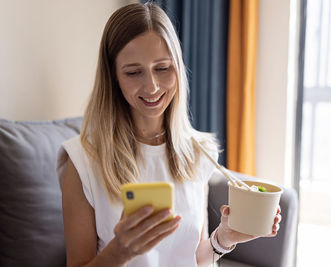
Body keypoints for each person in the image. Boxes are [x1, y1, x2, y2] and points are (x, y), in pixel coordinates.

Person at [57, 2, 281, 267]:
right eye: (133, 72)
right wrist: (119, 252)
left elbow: (196, 258)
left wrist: (223, 239)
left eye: (162, 68)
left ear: (177, 67)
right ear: (113, 76)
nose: (151, 86)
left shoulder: (199, 152)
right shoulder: (83, 162)